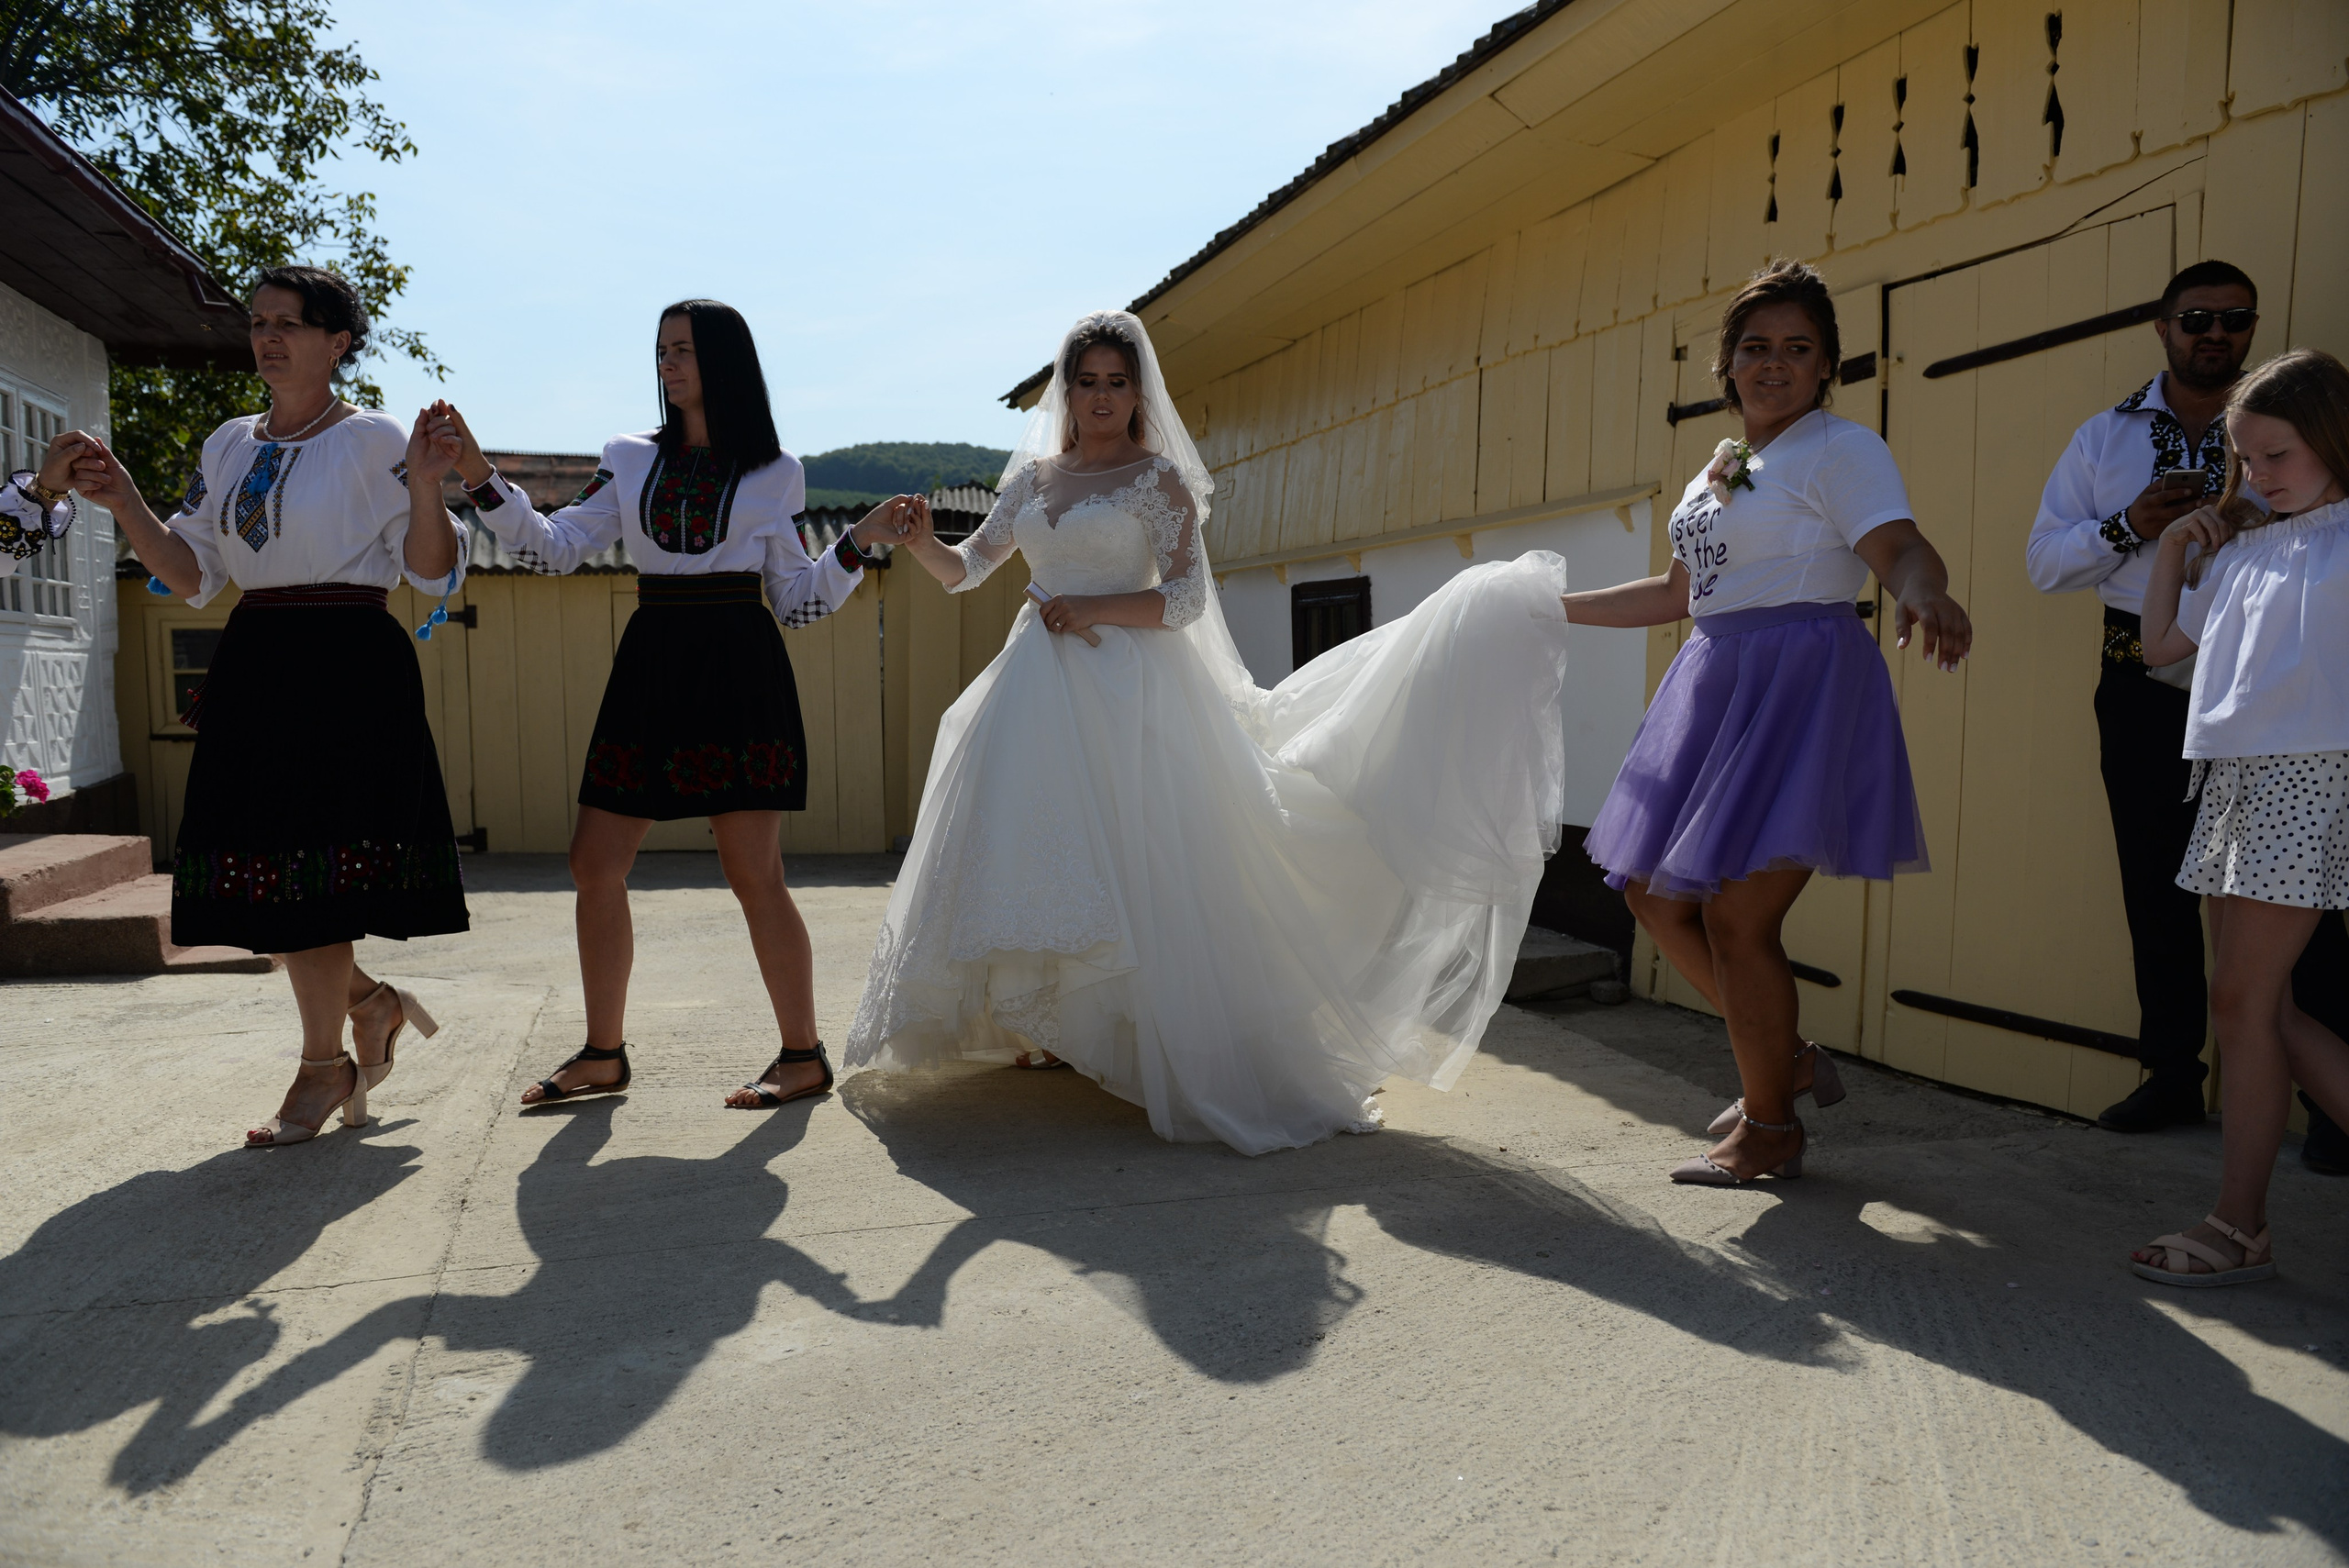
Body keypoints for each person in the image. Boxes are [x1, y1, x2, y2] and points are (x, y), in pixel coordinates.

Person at [846, 309, 1576, 1155]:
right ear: (1066, 391)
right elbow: (970, 567)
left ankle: (1161, 1041)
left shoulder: (1157, 481)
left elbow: (1187, 597)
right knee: (1042, 849)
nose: (1102, 397)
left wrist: (1095, 606)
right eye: (1087, 382)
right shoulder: (1034, 481)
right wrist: (917, 540)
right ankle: (1060, 1027)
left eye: (1119, 382)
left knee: (1149, 859)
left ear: (1139, 392)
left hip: (1131, 689)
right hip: (1035, 689)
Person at [432, 300, 909, 1111]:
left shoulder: (777, 471)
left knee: (754, 872)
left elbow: (796, 601)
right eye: (661, 350)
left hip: (738, 670)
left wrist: (857, 541)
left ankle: (803, 1055)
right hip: (653, 663)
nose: (668, 364)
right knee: (593, 862)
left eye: (683, 349)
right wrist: (478, 472)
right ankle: (603, 1053)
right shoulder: (626, 457)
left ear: (724, 361)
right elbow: (553, 549)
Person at [1572, 259, 1971, 1186]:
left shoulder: (1842, 448)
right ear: (1728, 363)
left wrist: (1925, 591)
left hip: (1799, 681)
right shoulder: (1720, 466)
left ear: (1826, 364)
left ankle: (1771, 1129)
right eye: (1755, 347)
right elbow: (1676, 593)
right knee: (1650, 895)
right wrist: (1548, 608)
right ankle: (1782, 1062)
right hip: (1715, 679)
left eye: (1798, 347)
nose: (1774, 362)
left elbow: (1900, 547)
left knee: (1737, 913)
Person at [58, 265, 466, 1144]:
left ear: (337, 342)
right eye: (257, 323)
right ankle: (372, 1005)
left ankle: (323, 1068)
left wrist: (428, 488)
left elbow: (430, 572)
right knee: (261, 877)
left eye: (288, 323)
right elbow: (193, 573)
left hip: (350, 667)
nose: (268, 338)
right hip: (257, 662)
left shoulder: (373, 437)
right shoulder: (229, 443)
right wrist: (123, 498)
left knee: (311, 879)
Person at [2128, 348, 2349, 1285]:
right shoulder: (2251, 546)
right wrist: (2175, 549)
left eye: (2277, 455)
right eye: (2245, 458)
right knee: (2259, 1006)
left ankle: (2237, 1226)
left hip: (2310, 779)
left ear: (2333, 438)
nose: (2256, 475)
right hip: (2234, 782)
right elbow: (2159, 647)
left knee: (2245, 1003)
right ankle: (2240, 1227)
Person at [2026, 261, 2257, 1133]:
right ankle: (2171, 1076)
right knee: (2155, 884)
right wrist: (2130, 525)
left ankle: (2328, 1102)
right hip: (2138, 682)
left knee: (2283, 886)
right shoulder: (2103, 437)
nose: (2216, 333)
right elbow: (2043, 562)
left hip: (2256, 683)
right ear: (2163, 328)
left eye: (2235, 318)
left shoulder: (2284, 429)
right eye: (2196, 318)